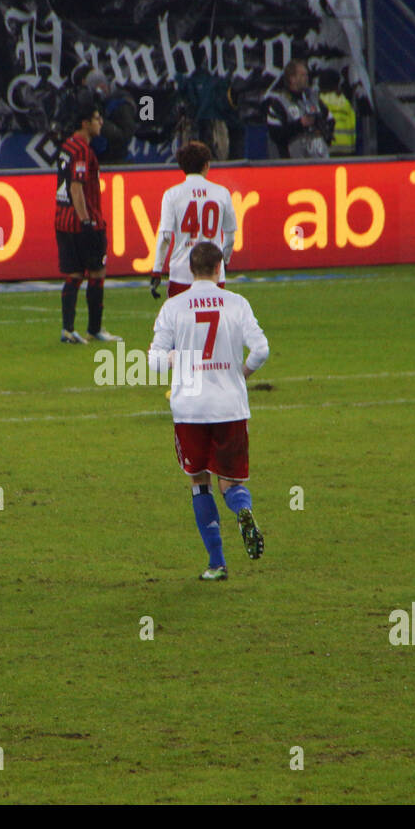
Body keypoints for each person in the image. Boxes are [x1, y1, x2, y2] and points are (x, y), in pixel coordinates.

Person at [149, 241, 268, 581]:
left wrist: (174, 359)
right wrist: (240, 374)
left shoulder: (174, 307)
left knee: (199, 481)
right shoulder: (237, 303)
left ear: (190, 269)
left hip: (191, 409)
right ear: (219, 269)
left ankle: (217, 563)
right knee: (230, 482)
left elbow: (154, 361)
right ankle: (243, 509)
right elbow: (261, 350)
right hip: (230, 404)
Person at [54, 99, 121, 344]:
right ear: (85, 123)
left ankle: (68, 330)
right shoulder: (82, 149)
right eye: (96, 118)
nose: (100, 122)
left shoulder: (67, 146)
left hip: (62, 219)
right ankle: (95, 329)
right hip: (83, 220)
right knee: (97, 272)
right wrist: (86, 222)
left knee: (73, 274)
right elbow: (76, 186)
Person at [151, 140, 237, 299]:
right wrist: (224, 260)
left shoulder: (172, 194)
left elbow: (165, 236)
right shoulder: (221, 192)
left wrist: (157, 270)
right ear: (206, 165)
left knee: (181, 321)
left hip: (182, 272)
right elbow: (230, 235)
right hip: (213, 271)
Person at [264, 58, 332, 159]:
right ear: (292, 79)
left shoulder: (313, 98)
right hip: (294, 163)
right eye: (303, 75)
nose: (307, 78)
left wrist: (322, 129)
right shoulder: (279, 104)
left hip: (319, 160)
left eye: (307, 75)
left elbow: (330, 119)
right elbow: (276, 135)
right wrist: (300, 124)